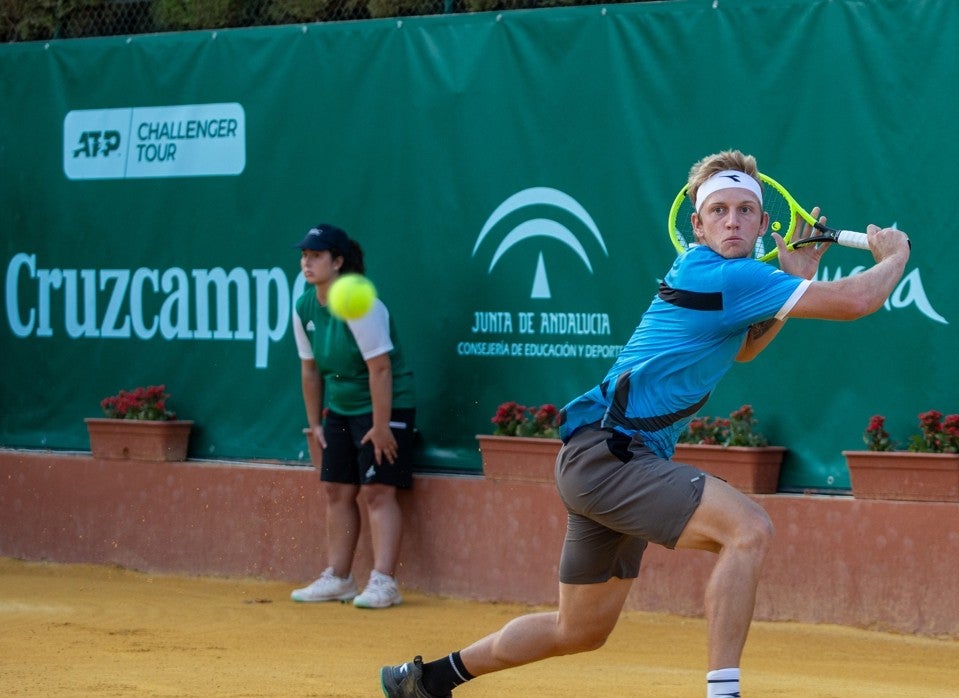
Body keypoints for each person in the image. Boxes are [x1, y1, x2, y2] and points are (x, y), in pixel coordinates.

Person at [379, 150, 911, 696]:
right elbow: (857, 299)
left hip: (601, 463)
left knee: (578, 629)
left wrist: (790, 284)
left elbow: (745, 352)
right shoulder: (725, 274)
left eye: (746, 211)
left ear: (760, 222)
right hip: (611, 457)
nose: (733, 220)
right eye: (720, 210)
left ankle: (426, 680)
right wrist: (893, 255)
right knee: (747, 530)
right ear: (697, 225)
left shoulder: (726, 280)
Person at [290, 223, 419, 610]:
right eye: (305, 256)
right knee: (337, 490)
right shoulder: (304, 306)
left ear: (339, 261)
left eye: (316, 256)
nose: (307, 263)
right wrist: (315, 424)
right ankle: (340, 578)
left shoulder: (360, 303)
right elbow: (310, 369)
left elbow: (381, 369)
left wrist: (381, 427)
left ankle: (384, 582)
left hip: (385, 404)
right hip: (341, 406)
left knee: (378, 491)